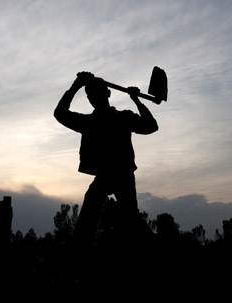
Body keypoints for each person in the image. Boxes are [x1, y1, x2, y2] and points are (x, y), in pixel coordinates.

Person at [54, 71, 159, 246]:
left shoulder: (111, 119)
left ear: (107, 93)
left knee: (126, 217)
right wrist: (135, 99)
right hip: (109, 175)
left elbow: (151, 126)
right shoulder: (99, 121)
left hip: (120, 175)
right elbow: (60, 114)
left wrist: (76, 86)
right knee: (101, 214)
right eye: (90, 94)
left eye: (94, 93)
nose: (92, 97)